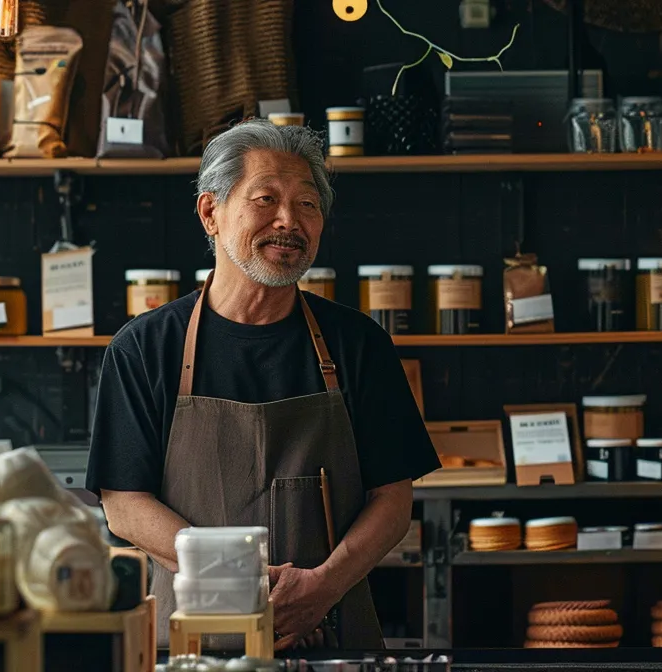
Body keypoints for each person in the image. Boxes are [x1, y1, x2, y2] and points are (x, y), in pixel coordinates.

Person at [86, 119, 440, 650]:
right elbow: (124, 503)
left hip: (331, 635)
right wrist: (236, 581)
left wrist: (323, 587)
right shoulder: (144, 349)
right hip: (192, 642)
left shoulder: (359, 345)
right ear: (211, 213)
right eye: (266, 198)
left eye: (307, 205)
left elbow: (393, 499)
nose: (288, 222)